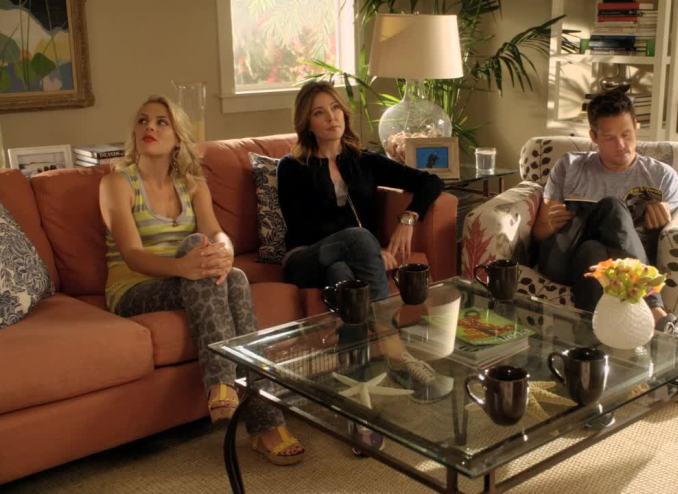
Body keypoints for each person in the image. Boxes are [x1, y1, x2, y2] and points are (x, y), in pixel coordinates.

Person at [99, 95, 304, 465]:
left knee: (234, 276)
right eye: (143, 121)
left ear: (178, 136)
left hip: (188, 277)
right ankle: (254, 412)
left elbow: (217, 233)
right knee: (198, 249)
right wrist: (185, 266)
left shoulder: (192, 184)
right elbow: (131, 255)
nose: (150, 127)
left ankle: (234, 397)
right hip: (134, 288)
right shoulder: (117, 183)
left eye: (161, 122)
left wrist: (224, 254)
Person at [533, 88, 678, 337]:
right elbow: (539, 234)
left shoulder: (661, 176)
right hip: (564, 258)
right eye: (609, 138)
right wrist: (548, 225)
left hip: (605, 263)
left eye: (626, 134)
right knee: (612, 207)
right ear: (594, 136)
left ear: (636, 126)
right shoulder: (569, 166)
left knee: (594, 251)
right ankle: (654, 308)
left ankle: (592, 345)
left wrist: (663, 219)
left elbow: (672, 236)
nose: (621, 145)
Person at [277, 81, 444, 301]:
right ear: (307, 124)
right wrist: (369, 249)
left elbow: (430, 182)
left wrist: (408, 219)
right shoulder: (291, 167)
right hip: (304, 258)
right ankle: (385, 318)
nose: (331, 117)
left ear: (344, 114)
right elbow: (302, 226)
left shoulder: (363, 160)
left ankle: (361, 324)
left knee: (340, 274)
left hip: (343, 259)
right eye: (319, 112)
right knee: (359, 239)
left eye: (335, 108)